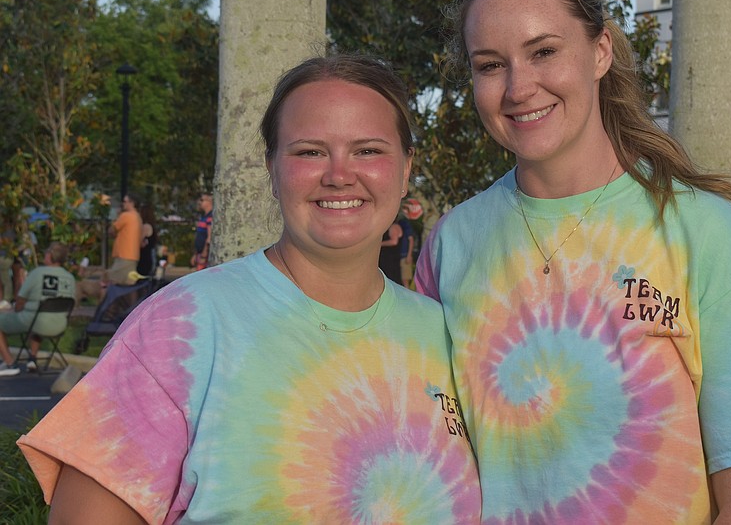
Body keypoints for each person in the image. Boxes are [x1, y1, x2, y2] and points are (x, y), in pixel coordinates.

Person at [416, 0, 731, 524]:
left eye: (544, 51)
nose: (517, 87)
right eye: (490, 65)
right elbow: (433, 455)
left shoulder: (700, 230)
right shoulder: (449, 245)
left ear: (601, 50)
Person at [18, 54, 481, 523]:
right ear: (272, 169)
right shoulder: (184, 325)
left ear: (405, 170)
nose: (340, 174)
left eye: (368, 150)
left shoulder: (442, 334)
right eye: (310, 151)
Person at [0, 242, 76, 376]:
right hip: (59, 325)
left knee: (31, 319)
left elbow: (20, 299)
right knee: (39, 319)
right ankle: (32, 359)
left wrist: (16, 311)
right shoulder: (70, 278)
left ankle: (9, 363)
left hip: (34, 321)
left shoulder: (38, 273)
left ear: (50, 256)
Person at [104, 193, 143, 287]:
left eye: (125, 201)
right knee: (129, 283)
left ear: (132, 203)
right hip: (133, 255)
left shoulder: (126, 216)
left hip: (123, 254)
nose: (123, 204)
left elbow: (111, 230)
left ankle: (110, 301)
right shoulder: (138, 217)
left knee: (110, 279)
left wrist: (116, 217)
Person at [191, 192, 213, 270]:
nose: (199, 202)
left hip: (205, 255)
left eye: (202, 200)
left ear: (209, 201)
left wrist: (204, 254)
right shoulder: (204, 217)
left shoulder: (210, 217)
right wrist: (195, 254)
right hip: (200, 253)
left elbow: (209, 237)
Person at [378, 218, 404, 284]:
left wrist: (380, 244)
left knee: (391, 277)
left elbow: (394, 241)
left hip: (390, 257)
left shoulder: (393, 227)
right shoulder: (395, 226)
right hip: (392, 257)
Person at [136, 203, 159, 277]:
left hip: (144, 259)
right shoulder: (151, 226)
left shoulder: (145, 227)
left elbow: (138, 241)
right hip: (149, 257)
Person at [398, 212, 416, 288]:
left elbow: (411, 240)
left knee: (405, 279)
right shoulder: (400, 224)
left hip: (405, 255)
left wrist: (409, 255)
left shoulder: (405, 224)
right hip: (400, 255)